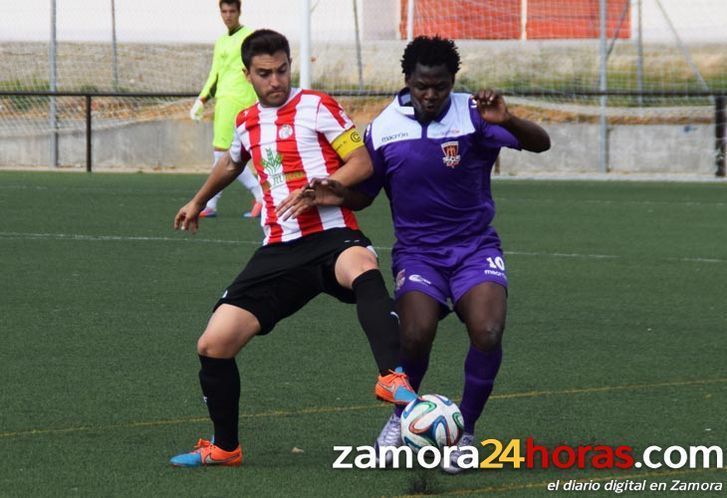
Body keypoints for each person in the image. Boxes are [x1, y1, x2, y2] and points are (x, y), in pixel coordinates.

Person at [278, 35, 550, 473]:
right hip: (419, 254)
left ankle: (465, 434)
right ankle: (399, 418)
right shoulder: (385, 126)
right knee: (415, 334)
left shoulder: (474, 115)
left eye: (440, 86)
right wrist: (337, 193)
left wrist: (510, 120)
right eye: (422, 86)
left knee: (488, 331)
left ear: (452, 81)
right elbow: (365, 196)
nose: (430, 95)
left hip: (474, 249)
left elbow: (541, 144)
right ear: (407, 80)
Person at [170, 29, 417, 468]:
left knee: (362, 265)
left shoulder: (318, 106)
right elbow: (230, 162)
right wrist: (198, 200)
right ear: (247, 74)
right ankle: (225, 447)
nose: (276, 80)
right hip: (280, 247)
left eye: (282, 70)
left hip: (332, 233)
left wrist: (330, 185)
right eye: (264, 74)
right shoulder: (246, 121)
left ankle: (390, 376)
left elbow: (361, 161)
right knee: (213, 344)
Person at [190, 0, 263, 218]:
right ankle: (211, 203)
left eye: (232, 11)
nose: (228, 15)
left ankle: (260, 195)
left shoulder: (249, 37)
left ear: (239, 12)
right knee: (223, 154)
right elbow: (215, 74)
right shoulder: (222, 41)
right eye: (224, 11)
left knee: (223, 153)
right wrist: (202, 99)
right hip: (224, 100)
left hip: (238, 100)